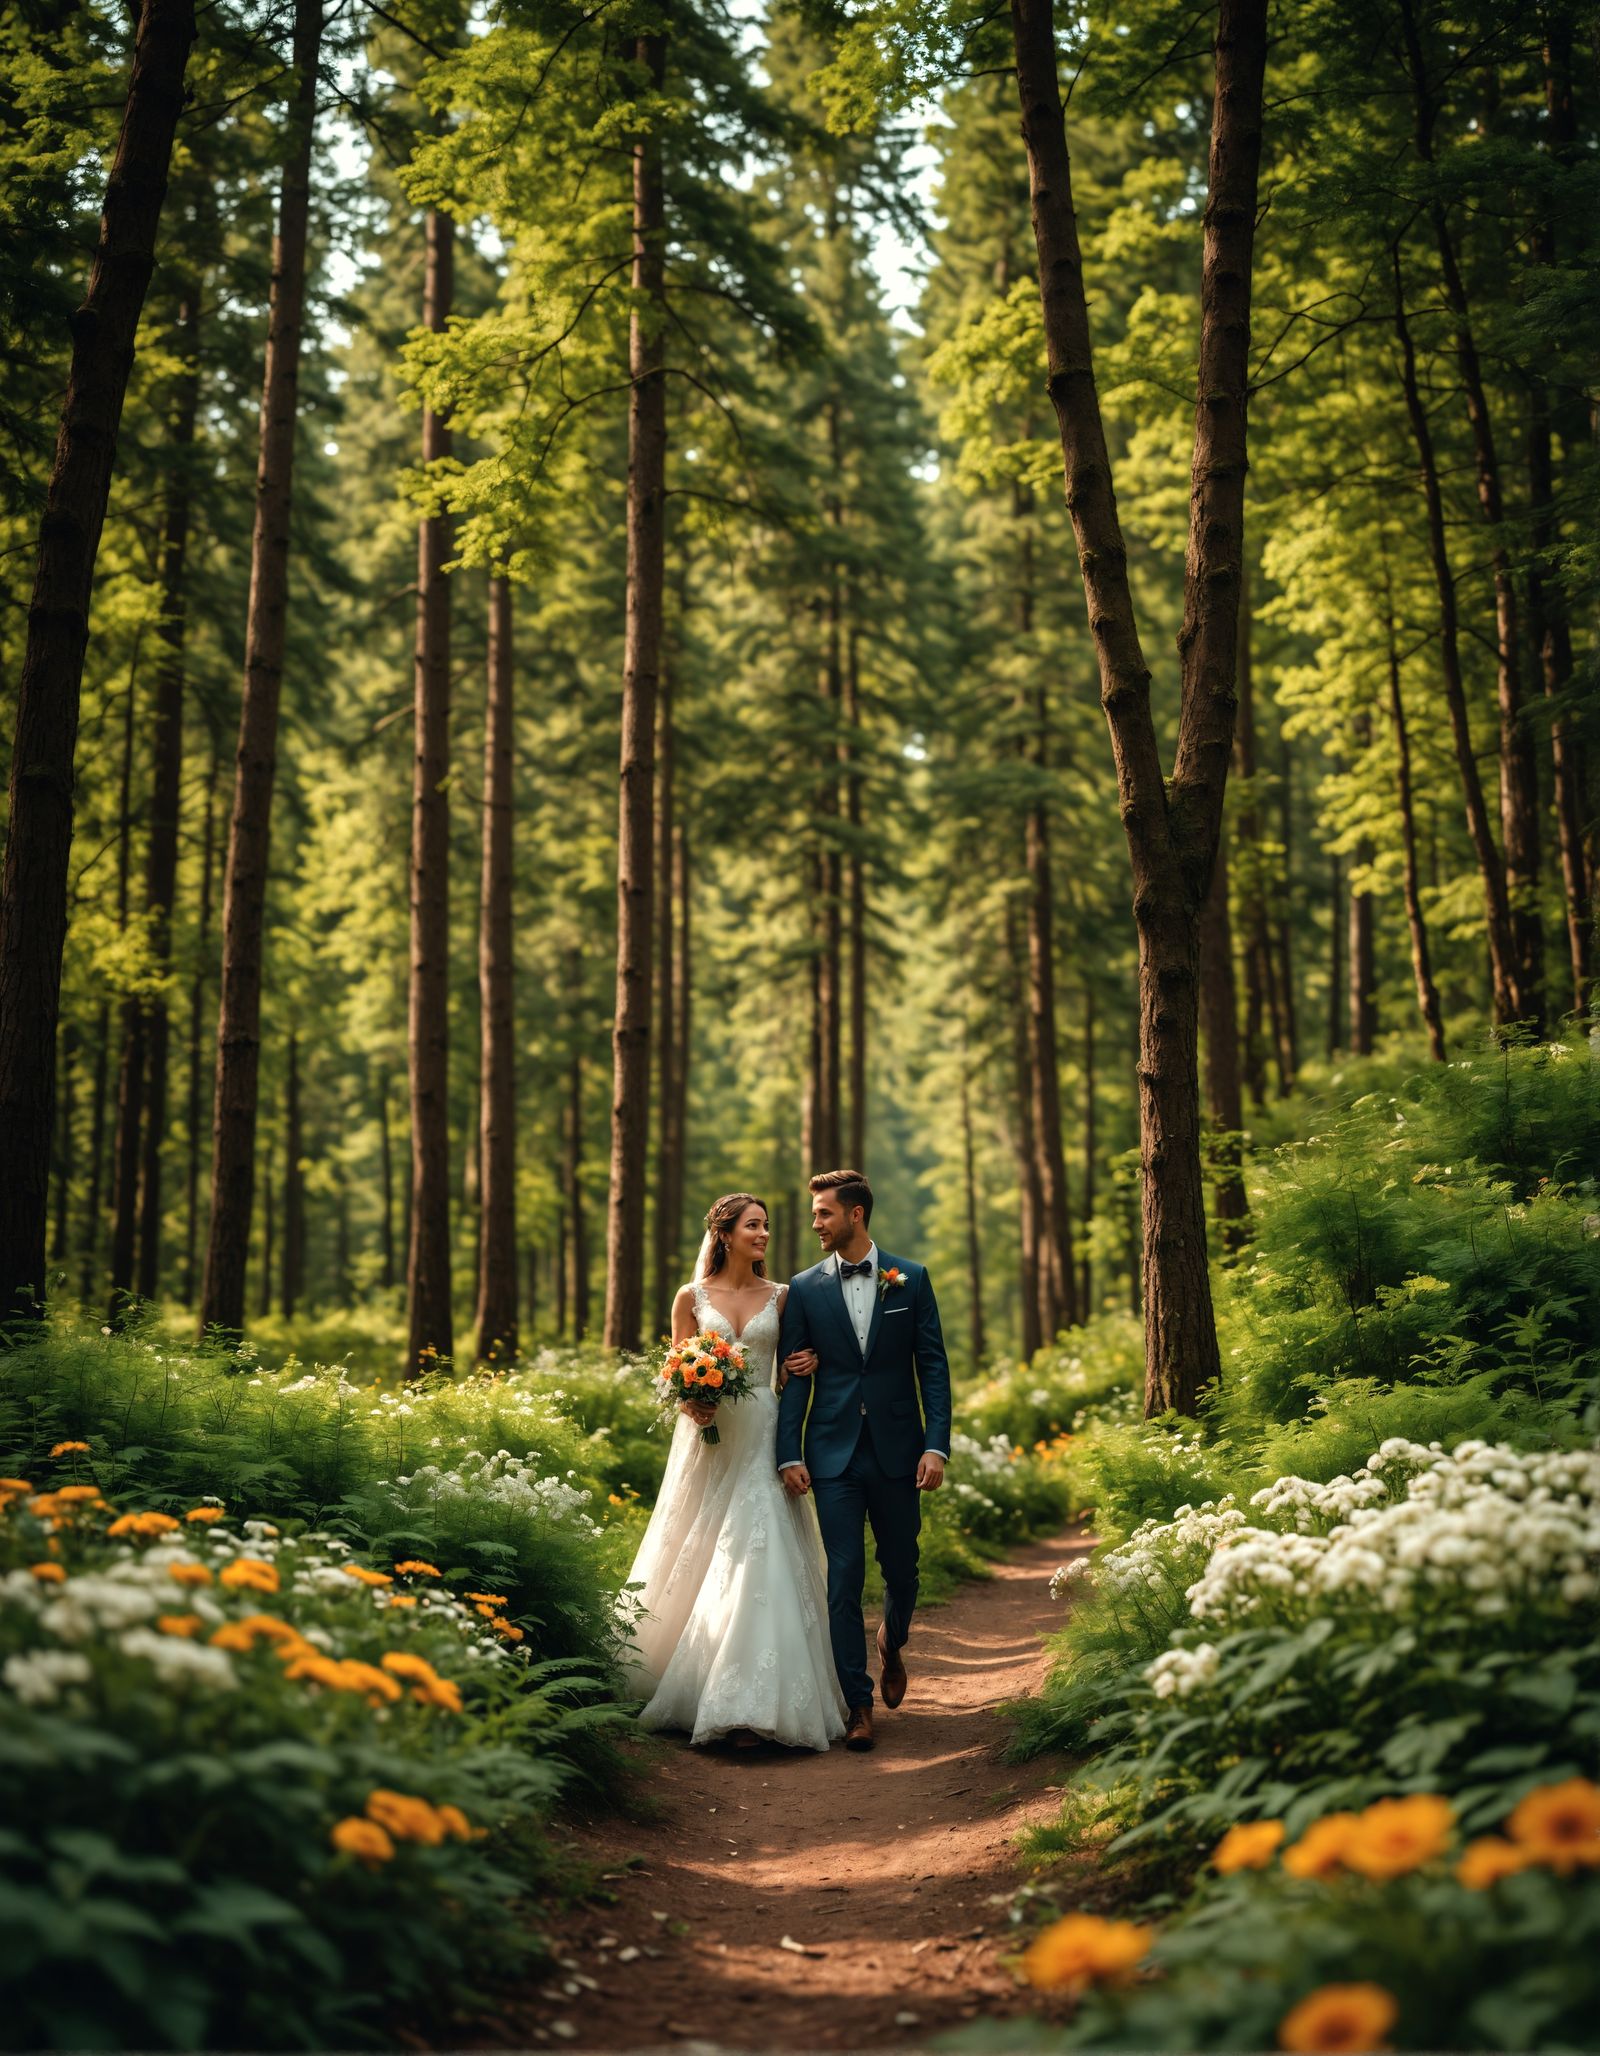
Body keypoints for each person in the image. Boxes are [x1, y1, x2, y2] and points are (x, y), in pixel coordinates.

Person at [621, 1192, 846, 1751]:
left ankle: (752, 1703)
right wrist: (690, 1401)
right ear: (723, 1234)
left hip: (766, 1434)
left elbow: (797, 1367)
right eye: (753, 1225)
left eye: (766, 1225)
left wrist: (805, 1364)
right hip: (711, 1438)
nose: (764, 1233)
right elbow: (676, 1372)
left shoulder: (785, 1297)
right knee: (699, 1549)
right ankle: (694, 1684)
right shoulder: (690, 1297)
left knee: (758, 1545)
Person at [775, 1168, 953, 1753]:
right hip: (832, 1456)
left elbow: (932, 1367)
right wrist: (788, 1452)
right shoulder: (803, 1289)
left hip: (901, 1453)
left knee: (903, 1569)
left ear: (855, 1214)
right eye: (813, 1213)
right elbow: (797, 1375)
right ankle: (858, 1703)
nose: (815, 1223)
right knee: (844, 1577)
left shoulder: (912, 1278)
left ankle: (892, 1641)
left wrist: (935, 1444)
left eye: (824, 1212)